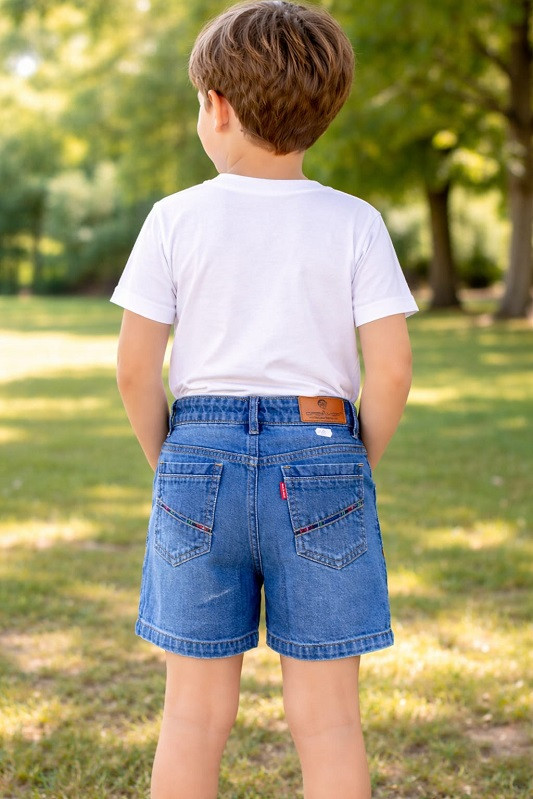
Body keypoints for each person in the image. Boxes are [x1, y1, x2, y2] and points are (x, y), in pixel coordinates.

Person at [110, 1, 419, 797]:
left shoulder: (173, 218)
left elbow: (138, 368)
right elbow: (387, 371)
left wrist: (170, 461)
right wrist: (351, 462)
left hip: (196, 461)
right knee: (327, 721)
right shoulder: (356, 221)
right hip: (323, 453)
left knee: (189, 716)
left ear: (216, 106)